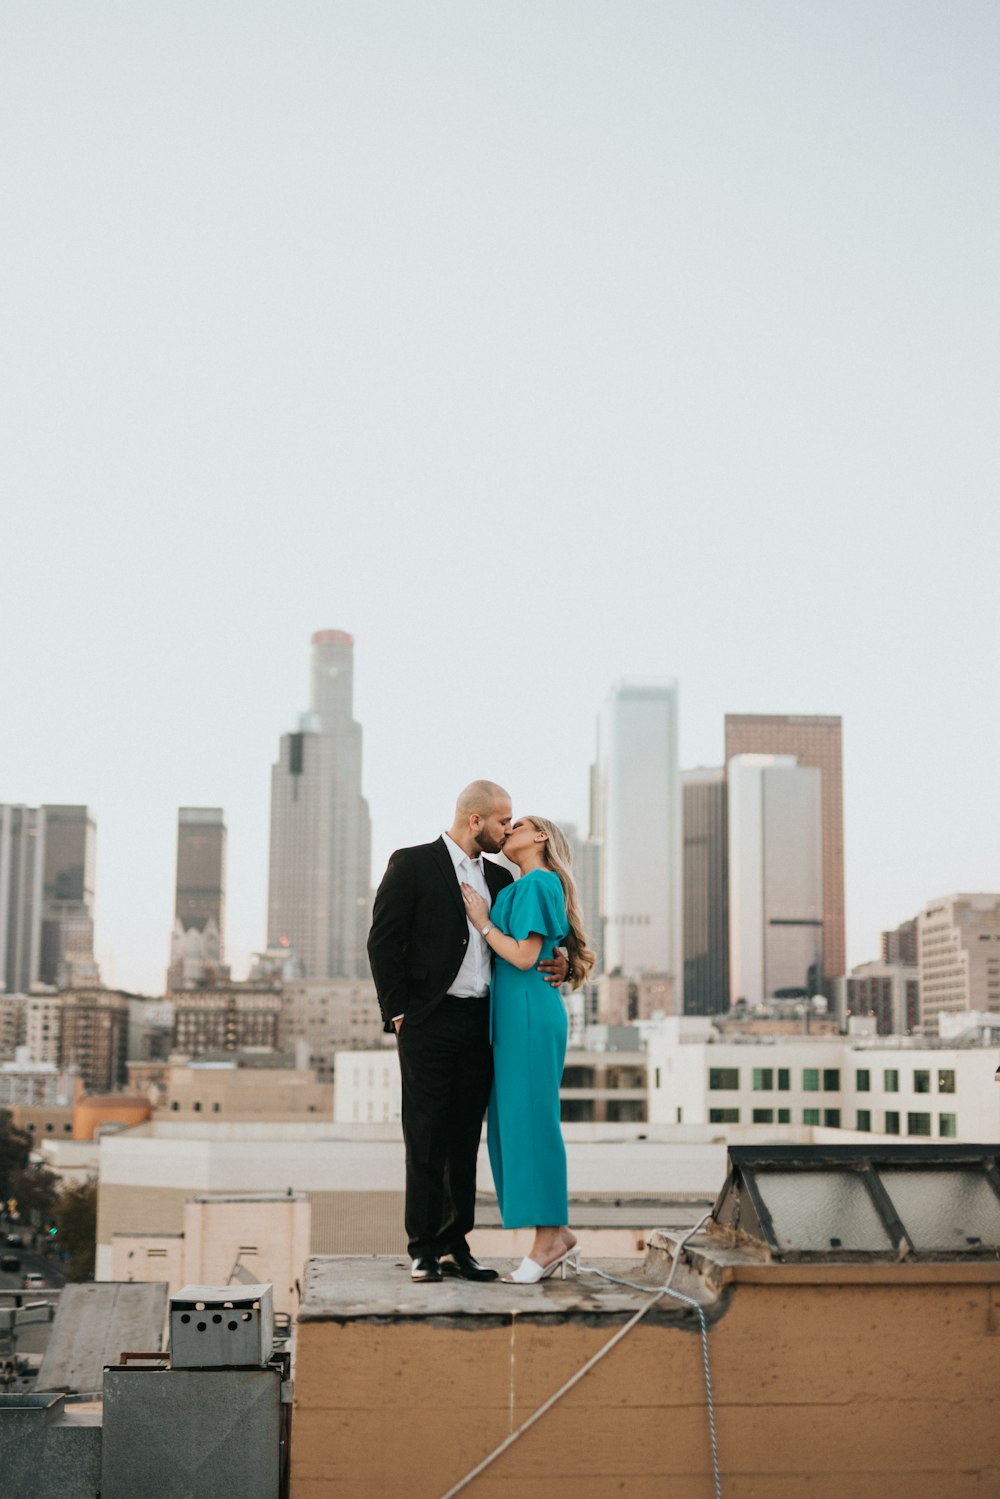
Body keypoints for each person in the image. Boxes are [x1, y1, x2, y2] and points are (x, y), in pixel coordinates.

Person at [367, 781, 568, 1283]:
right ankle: (425, 1248)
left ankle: (458, 1245)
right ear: (475, 820)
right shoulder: (412, 863)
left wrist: (560, 961)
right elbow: (383, 941)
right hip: (428, 1020)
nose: (508, 829)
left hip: (487, 1022)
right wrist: (398, 1012)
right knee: (426, 1134)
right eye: (503, 821)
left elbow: (533, 938)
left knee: (464, 1138)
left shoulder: (504, 879)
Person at [462, 815, 595, 1284]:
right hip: (513, 1014)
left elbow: (521, 955)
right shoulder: (519, 887)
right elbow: (540, 951)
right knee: (514, 1124)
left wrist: (481, 920)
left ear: (540, 837)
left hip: (529, 1014)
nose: (506, 831)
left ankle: (546, 1243)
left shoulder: (539, 882)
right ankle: (556, 1235)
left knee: (534, 1123)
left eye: (516, 824)